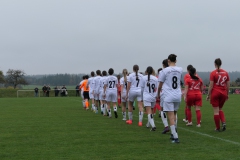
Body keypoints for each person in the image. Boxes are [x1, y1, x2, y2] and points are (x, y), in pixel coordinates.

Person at [157, 54, 182, 143]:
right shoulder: (180, 70)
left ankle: (175, 137)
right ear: (176, 61)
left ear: (168, 61)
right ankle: (173, 132)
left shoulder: (165, 71)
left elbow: (160, 85)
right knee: (175, 115)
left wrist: (158, 94)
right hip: (178, 94)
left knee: (170, 117)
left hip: (168, 95)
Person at [207, 58, 230, 131]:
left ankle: (217, 127)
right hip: (223, 93)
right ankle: (223, 122)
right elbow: (228, 84)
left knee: (216, 111)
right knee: (220, 109)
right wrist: (227, 93)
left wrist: (208, 94)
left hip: (215, 92)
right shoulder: (226, 73)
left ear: (215, 64)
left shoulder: (213, 73)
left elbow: (211, 85)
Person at [142, 66, 158, 131]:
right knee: (151, 111)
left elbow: (142, 88)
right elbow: (156, 88)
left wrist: (141, 97)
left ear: (146, 71)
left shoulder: (143, 78)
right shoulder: (155, 78)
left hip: (146, 96)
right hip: (153, 96)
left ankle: (153, 126)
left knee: (149, 111)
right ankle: (148, 124)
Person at [159, 59, 170, 134]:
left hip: (164, 92)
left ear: (163, 65)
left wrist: (157, 93)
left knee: (162, 109)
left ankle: (166, 126)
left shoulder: (162, 72)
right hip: (174, 93)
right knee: (174, 111)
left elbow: (160, 83)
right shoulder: (176, 71)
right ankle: (174, 126)